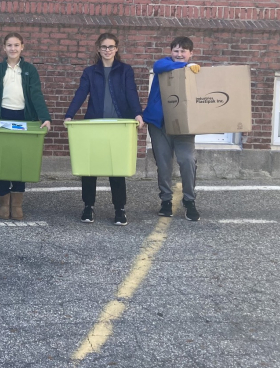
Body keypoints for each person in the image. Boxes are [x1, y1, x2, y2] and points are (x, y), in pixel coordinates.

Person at [64, 32, 143, 226]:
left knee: (117, 169)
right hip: (95, 124)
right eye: (104, 47)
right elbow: (81, 92)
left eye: (111, 47)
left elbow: (131, 92)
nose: (107, 50)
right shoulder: (90, 72)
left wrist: (137, 114)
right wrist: (70, 114)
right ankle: (88, 207)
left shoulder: (125, 70)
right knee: (90, 169)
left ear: (116, 49)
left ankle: (120, 209)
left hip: (118, 126)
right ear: (98, 50)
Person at [0, 33, 51, 221]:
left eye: (16, 45)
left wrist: (44, 117)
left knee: (19, 161)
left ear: (22, 47)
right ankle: (3, 203)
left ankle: (16, 204)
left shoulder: (30, 70)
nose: (13, 49)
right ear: (4, 47)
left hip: (23, 118)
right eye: (9, 45)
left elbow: (36, 94)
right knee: (3, 160)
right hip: (1, 117)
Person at [142, 36, 201, 221]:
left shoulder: (195, 71)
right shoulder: (165, 65)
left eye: (183, 51)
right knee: (164, 164)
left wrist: (191, 69)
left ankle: (189, 201)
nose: (179, 54)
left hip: (183, 125)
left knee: (187, 161)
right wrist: (184, 67)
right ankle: (166, 200)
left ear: (191, 53)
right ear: (171, 52)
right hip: (159, 124)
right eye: (176, 50)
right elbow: (158, 66)